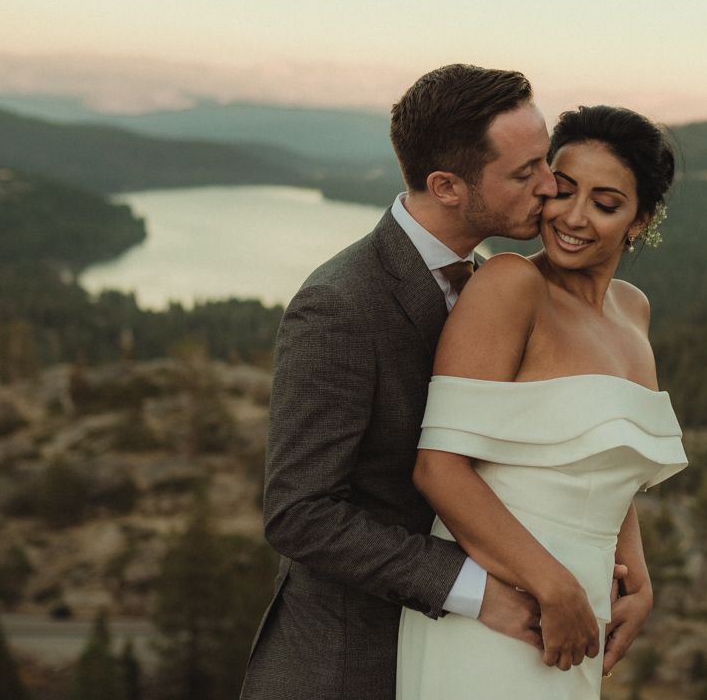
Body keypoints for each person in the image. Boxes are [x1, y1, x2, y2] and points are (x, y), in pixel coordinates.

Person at [242, 64, 565, 700]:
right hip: (349, 666)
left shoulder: (492, 287)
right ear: (446, 185)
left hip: (462, 662)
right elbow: (299, 513)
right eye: (525, 173)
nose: (551, 187)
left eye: (545, 161)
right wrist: (476, 592)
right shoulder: (339, 303)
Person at [397, 104, 687, 700]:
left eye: (606, 204)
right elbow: (439, 468)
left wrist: (638, 580)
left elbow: (605, 459)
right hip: (504, 601)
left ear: (640, 220)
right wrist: (553, 588)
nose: (572, 217)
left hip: (583, 607)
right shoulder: (509, 284)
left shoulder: (634, 310)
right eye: (562, 190)